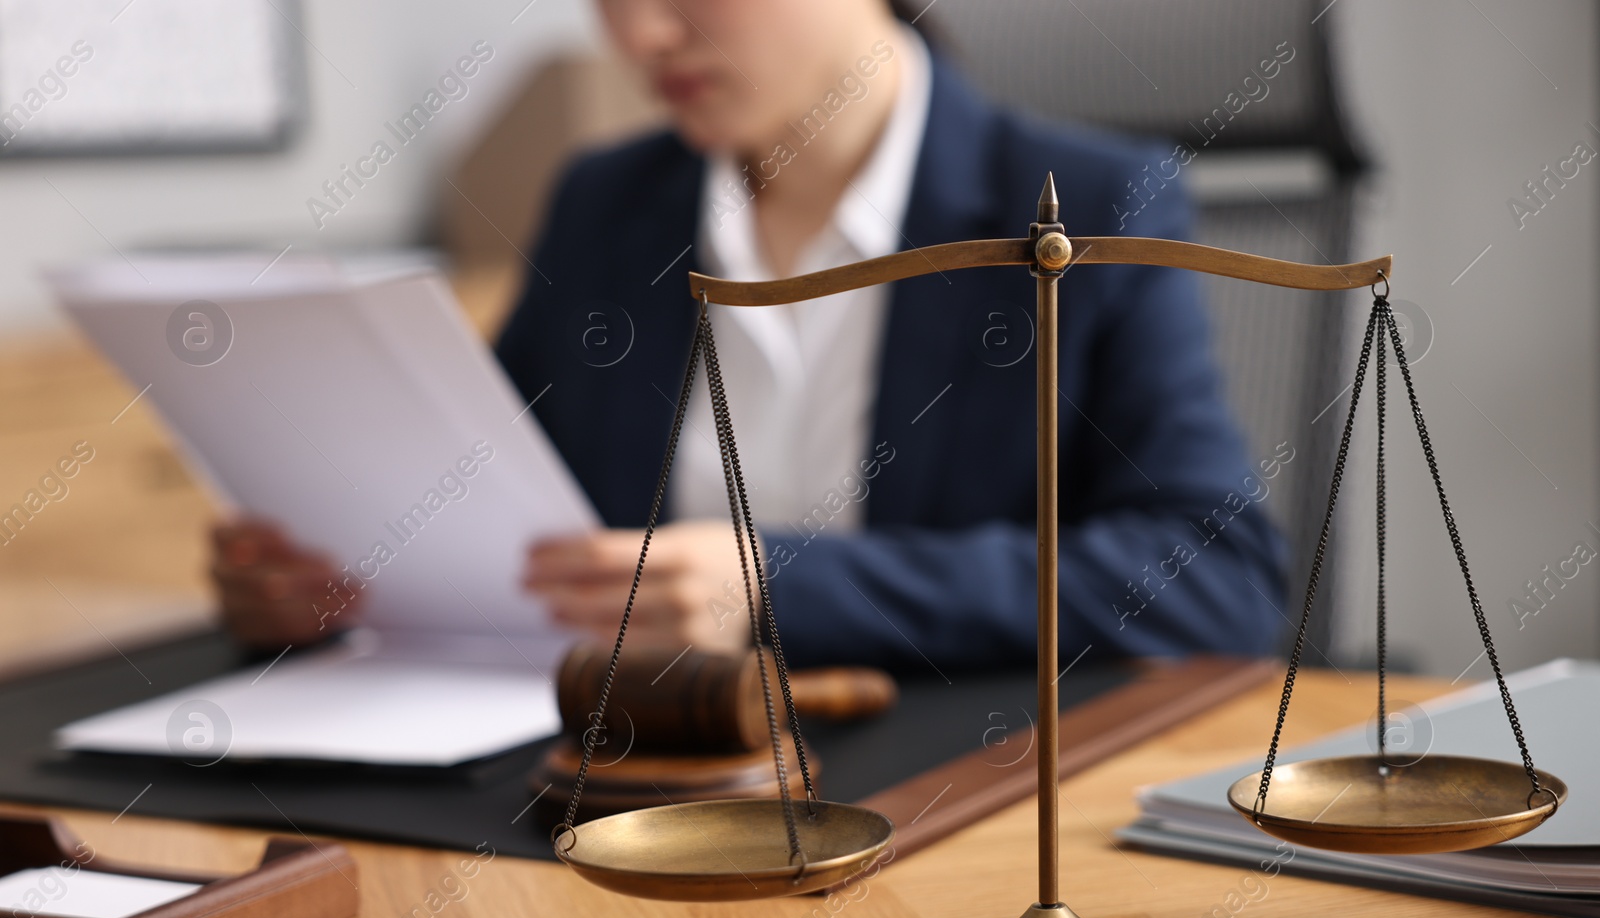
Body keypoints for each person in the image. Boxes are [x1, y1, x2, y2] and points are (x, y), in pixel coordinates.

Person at [213, 0, 1286, 672]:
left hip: (948, 798)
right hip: (636, 788)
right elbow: (494, 503)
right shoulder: (603, 204)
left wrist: (776, 585)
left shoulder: (1089, 203)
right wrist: (346, 576)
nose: (640, 34)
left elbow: (1213, 578)